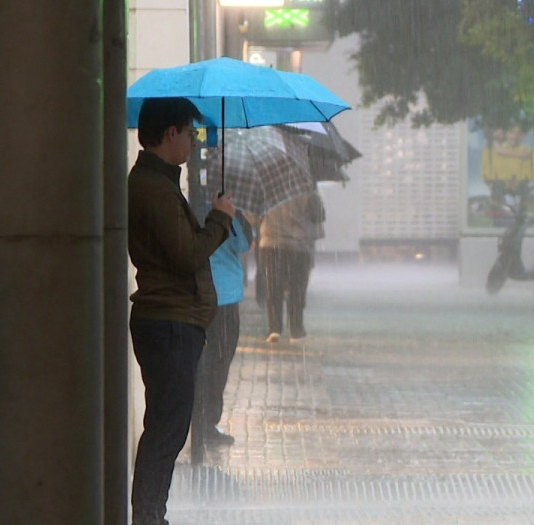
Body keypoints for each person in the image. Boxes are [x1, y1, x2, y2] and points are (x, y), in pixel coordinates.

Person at [127, 96, 234, 525]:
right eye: (190, 133)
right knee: (167, 430)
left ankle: (152, 513)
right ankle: (149, 516)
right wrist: (220, 220)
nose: (193, 142)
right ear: (170, 133)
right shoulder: (154, 189)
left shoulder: (161, 184)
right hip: (169, 322)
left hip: (174, 321)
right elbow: (186, 253)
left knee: (168, 427)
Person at [193, 210, 252, 447]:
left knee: (206, 361)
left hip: (200, 294)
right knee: (219, 361)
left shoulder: (191, 207)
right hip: (224, 297)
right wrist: (236, 216)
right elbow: (244, 245)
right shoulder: (229, 214)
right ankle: (205, 421)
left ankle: (200, 420)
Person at [259, 191, 324, 343]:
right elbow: (319, 215)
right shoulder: (304, 189)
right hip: (299, 245)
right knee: (297, 288)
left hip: (271, 243)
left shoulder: (267, 188)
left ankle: (274, 328)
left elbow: (253, 213)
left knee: (273, 286)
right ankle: (296, 329)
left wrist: (263, 223)